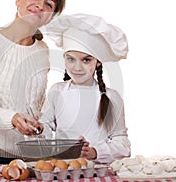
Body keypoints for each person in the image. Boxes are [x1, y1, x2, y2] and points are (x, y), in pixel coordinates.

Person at [0, 0, 66, 164]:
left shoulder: (43, 50)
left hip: (35, 158)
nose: (40, 6)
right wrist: (13, 119)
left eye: (49, 4)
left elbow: (37, 105)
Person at [39, 13, 131, 163]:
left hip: (99, 171)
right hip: (62, 168)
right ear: (64, 59)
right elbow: (46, 128)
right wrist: (39, 129)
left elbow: (122, 145)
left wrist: (94, 152)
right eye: (71, 59)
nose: (77, 67)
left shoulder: (112, 97)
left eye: (86, 60)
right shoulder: (57, 91)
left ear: (98, 62)